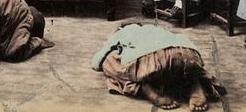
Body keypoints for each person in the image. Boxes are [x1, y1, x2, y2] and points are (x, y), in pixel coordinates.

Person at [92, 23, 225, 111]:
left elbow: (96, 62)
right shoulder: (158, 30)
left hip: (152, 61)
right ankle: (194, 82)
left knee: (109, 62)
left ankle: (143, 86)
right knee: (179, 66)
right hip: (187, 55)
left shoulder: (122, 33)